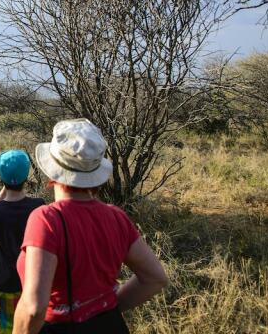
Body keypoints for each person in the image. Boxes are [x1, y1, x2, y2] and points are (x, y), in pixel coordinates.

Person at [13, 119, 168, 334]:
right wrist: (104, 309)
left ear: (52, 172)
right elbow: (155, 278)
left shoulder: (46, 219)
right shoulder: (117, 217)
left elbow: (33, 309)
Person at [0, 150, 45, 334]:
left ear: (1, 179)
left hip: (5, 281)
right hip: (34, 281)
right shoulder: (38, 205)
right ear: (26, 177)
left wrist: (1, 193)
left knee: (9, 327)